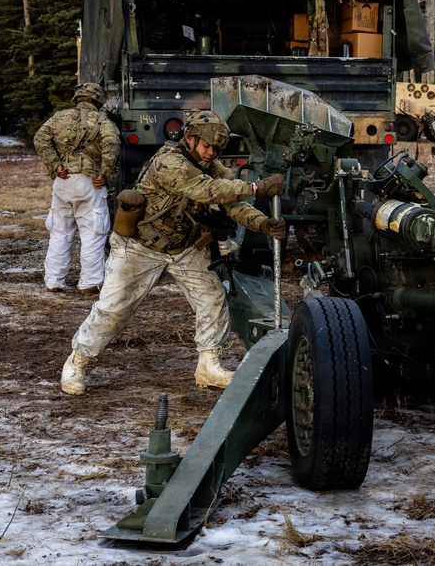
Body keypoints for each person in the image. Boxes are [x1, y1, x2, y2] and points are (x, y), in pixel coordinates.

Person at [60, 111, 287, 395]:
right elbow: (208, 191)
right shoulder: (169, 162)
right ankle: (77, 361)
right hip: (140, 247)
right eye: (207, 146)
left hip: (185, 248)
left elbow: (233, 205)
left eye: (217, 149)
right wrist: (257, 187)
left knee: (212, 298)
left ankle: (209, 365)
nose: (211, 153)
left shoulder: (212, 168)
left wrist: (263, 223)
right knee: (113, 309)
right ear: (190, 139)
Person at [34, 82, 120, 294]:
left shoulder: (59, 117)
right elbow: (112, 144)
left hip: (63, 181)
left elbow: (40, 138)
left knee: (60, 232)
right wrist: (104, 173)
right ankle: (90, 282)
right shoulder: (103, 121)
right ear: (98, 100)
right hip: (90, 183)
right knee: (93, 233)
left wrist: (55, 165)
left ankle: (54, 281)